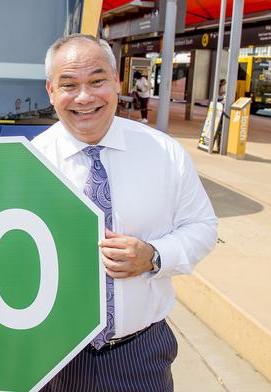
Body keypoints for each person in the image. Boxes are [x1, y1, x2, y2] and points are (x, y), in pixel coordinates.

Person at [32, 34, 217, 392]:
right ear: (51, 91)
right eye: (68, 85)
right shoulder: (28, 163)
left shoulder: (163, 152)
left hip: (140, 355)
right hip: (53, 356)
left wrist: (154, 256)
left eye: (97, 81)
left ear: (117, 82)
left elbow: (203, 226)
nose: (84, 97)